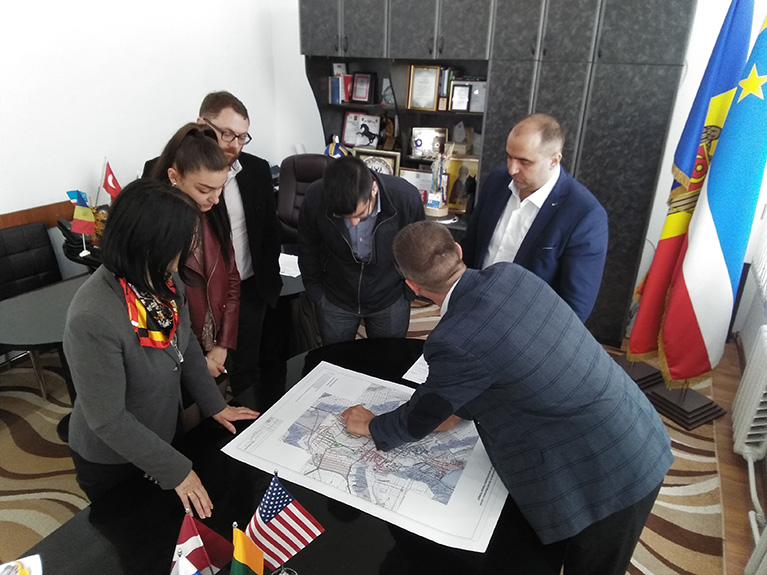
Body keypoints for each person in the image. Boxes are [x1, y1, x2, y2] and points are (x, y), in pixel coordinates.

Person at [341, 221, 672, 575]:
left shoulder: (453, 340)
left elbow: (417, 419)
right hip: (637, 424)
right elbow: (508, 356)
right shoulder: (511, 274)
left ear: (412, 286)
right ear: (459, 251)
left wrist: (374, 425)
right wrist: (457, 405)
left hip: (610, 475)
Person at [63, 180, 259, 517]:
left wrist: (215, 406)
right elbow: (108, 420)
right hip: (113, 458)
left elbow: (186, 351)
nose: (194, 245)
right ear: (152, 243)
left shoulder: (164, 278)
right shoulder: (92, 317)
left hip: (163, 430)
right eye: (187, 239)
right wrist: (176, 469)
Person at [143, 91, 282, 396]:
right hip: (187, 300)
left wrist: (268, 284)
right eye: (227, 133)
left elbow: (268, 235)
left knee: (245, 368)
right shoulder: (161, 175)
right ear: (202, 124)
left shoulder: (256, 171)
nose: (234, 144)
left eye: (243, 137)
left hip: (246, 289)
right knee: (191, 378)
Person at [460, 113, 608, 322]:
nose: (512, 168)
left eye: (524, 161)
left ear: (554, 160)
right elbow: (471, 247)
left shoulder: (585, 215)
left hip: (526, 327)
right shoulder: (496, 182)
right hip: (473, 310)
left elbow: (576, 306)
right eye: (509, 156)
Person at [298, 155, 425, 345]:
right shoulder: (317, 195)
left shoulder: (405, 197)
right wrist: (316, 292)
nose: (353, 222)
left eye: (360, 214)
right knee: (335, 363)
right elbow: (308, 245)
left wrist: (408, 292)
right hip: (336, 296)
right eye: (345, 217)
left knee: (387, 363)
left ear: (373, 188)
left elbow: (418, 250)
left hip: (390, 296)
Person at [149, 123, 239, 379]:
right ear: (174, 176)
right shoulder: (155, 228)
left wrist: (223, 344)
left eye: (220, 187)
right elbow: (156, 306)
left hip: (215, 345)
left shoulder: (213, 214)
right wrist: (195, 359)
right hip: (175, 351)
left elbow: (232, 278)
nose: (215, 199)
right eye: (204, 190)